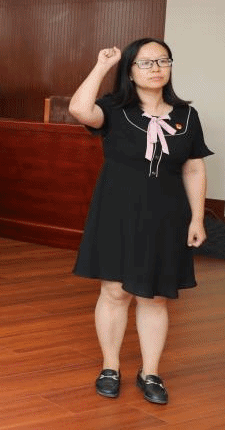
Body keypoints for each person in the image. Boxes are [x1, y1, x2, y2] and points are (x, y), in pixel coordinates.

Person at [68, 39, 211, 405]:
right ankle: (110, 367)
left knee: (156, 296)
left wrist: (197, 218)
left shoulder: (187, 115)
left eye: (163, 61)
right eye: (145, 63)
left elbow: (193, 168)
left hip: (167, 215)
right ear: (130, 71)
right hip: (117, 211)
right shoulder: (115, 110)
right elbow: (80, 109)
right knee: (115, 292)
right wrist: (102, 65)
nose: (156, 68)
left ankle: (150, 372)